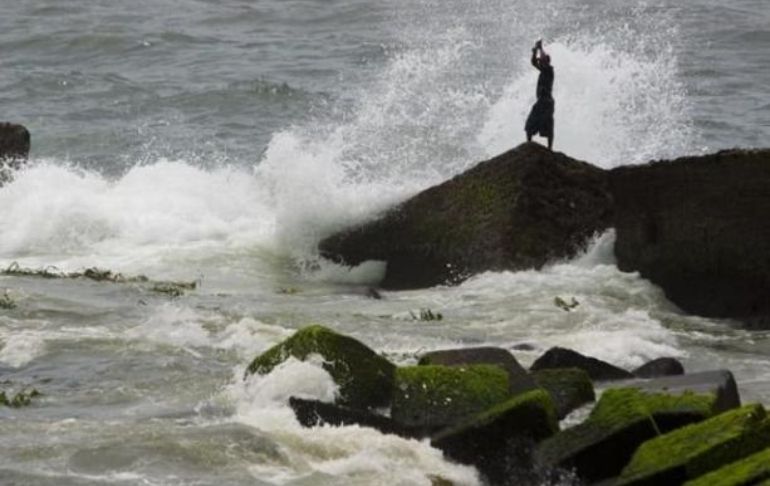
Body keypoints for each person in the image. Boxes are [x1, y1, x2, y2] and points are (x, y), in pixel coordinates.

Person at [524, 39, 554, 150]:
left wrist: (540, 49)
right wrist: (534, 51)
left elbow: (543, 60)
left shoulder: (549, 70)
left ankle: (549, 148)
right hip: (541, 101)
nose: (539, 62)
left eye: (541, 61)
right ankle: (529, 143)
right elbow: (533, 62)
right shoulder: (543, 70)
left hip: (546, 101)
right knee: (530, 124)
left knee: (547, 124)